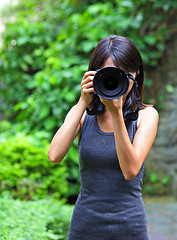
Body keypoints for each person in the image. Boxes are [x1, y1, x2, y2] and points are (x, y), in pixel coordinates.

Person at [48, 35, 159, 240]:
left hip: (129, 226)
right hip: (85, 224)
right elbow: (54, 155)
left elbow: (130, 170)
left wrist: (116, 113)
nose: (115, 81)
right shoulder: (83, 113)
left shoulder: (147, 116)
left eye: (123, 74)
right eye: (108, 74)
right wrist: (83, 101)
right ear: (94, 74)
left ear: (136, 75)